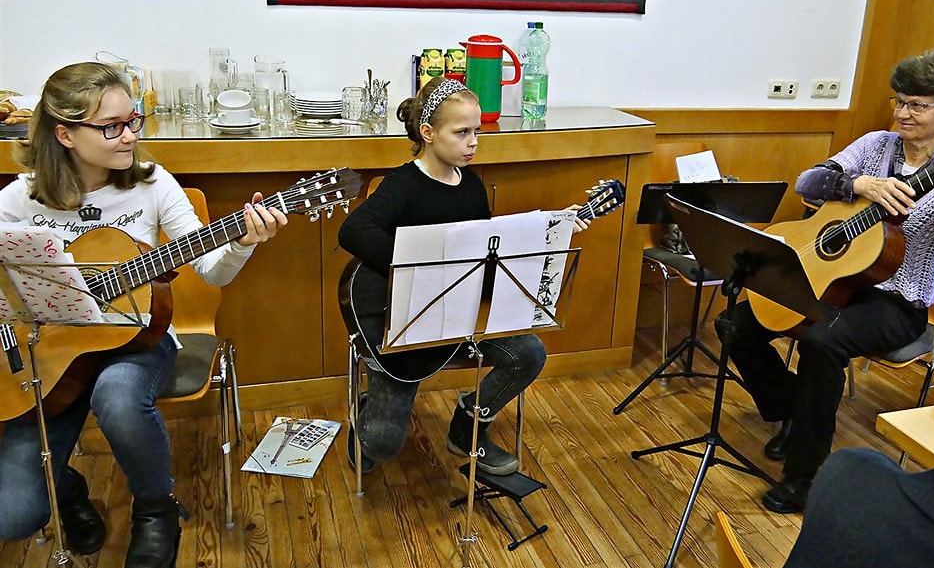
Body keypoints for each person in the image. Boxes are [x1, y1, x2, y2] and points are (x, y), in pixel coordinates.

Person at [0, 62, 288, 568]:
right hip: (46, 353)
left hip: (136, 340)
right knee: (13, 517)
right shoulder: (20, 198)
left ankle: (156, 510)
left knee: (119, 398)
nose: (130, 135)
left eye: (132, 120)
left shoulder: (152, 185)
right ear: (65, 134)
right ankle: (66, 489)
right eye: (111, 126)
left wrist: (243, 242)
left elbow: (211, 271)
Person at [715, 48, 934, 513]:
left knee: (822, 341)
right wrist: (858, 185)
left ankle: (805, 476)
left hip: (897, 301)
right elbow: (808, 182)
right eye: (899, 100)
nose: (903, 113)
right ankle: (793, 410)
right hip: (834, 281)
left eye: (918, 105)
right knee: (735, 324)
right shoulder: (876, 145)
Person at [337, 76, 588, 476]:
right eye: (462, 132)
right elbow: (353, 231)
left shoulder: (470, 185)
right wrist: (417, 265)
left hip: (463, 319)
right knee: (382, 445)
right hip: (404, 327)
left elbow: (485, 255)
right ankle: (367, 411)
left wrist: (553, 231)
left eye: (477, 132)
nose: (473, 142)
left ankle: (468, 425)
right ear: (428, 133)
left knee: (529, 353)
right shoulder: (403, 184)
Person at [783, 289, 934, 567]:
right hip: (849, 290)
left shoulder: (847, 475)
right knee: (749, 320)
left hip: (899, 307)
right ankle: (797, 411)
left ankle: (800, 422)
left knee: (822, 339)